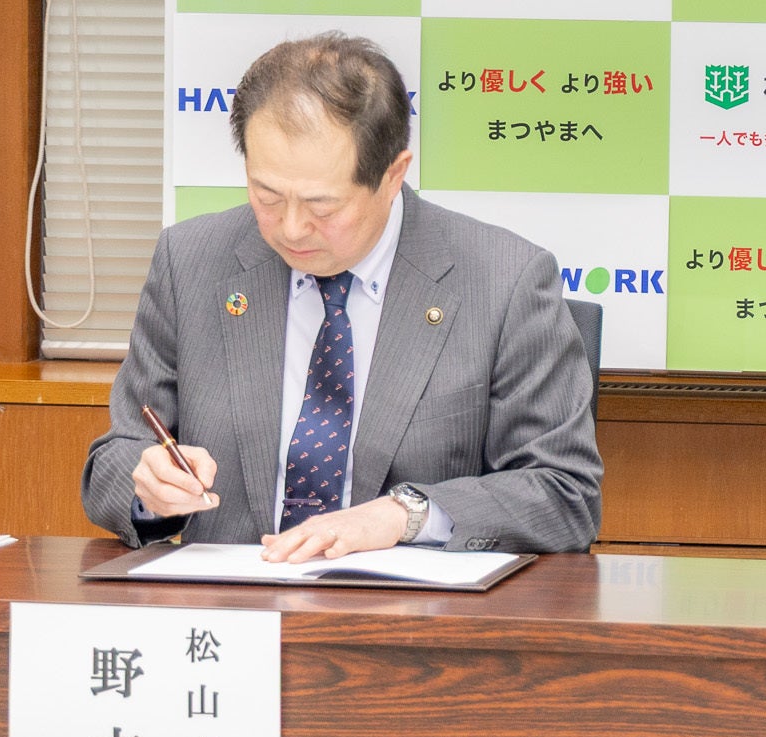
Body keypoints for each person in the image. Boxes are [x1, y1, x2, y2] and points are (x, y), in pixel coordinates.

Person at [83, 32, 601, 558]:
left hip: (411, 604)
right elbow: (115, 461)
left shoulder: (503, 281)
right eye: (267, 195)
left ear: (393, 174)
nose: (291, 228)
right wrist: (150, 487)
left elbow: (563, 493)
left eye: (322, 206)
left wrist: (405, 515)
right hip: (234, 598)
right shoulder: (192, 262)